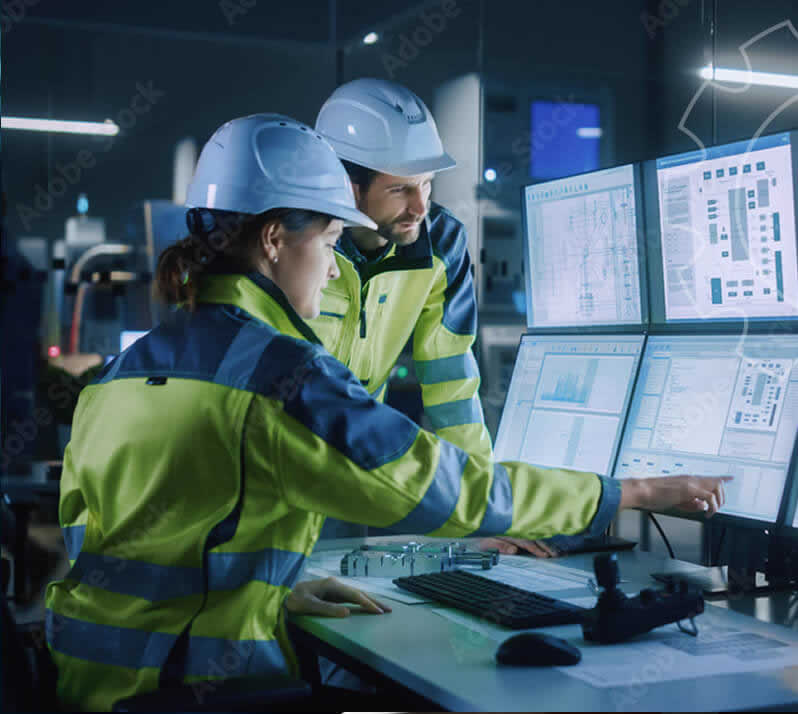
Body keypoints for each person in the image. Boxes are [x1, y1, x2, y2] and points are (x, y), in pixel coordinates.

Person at [45, 113, 729, 711]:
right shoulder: (276, 375)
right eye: (329, 240)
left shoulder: (125, 372)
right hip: (196, 689)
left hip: (90, 682)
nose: (333, 265)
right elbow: (434, 484)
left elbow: (120, 544)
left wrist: (271, 595)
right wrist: (626, 492)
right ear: (278, 239)